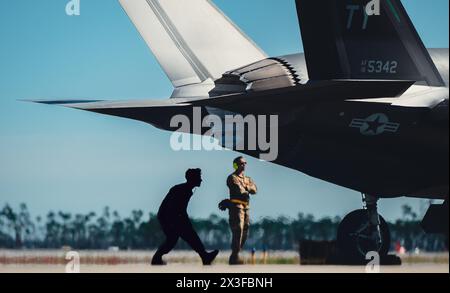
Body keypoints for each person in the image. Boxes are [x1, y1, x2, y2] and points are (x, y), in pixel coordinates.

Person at [152, 168, 219, 265]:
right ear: (192, 178)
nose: (201, 180)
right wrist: (183, 223)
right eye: (199, 177)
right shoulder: (183, 190)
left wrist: (184, 222)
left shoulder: (186, 189)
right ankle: (205, 257)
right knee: (186, 236)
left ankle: (156, 259)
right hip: (167, 217)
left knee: (173, 239)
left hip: (170, 217)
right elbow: (175, 210)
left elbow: (180, 211)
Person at [222, 156, 258, 265]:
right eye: (241, 163)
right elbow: (239, 190)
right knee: (238, 229)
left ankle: (236, 253)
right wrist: (248, 188)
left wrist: (247, 187)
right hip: (236, 207)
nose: (244, 165)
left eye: (245, 163)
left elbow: (255, 189)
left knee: (245, 231)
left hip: (246, 207)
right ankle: (235, 255)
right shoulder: (232, 177)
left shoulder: (248, 178)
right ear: (236, 165)